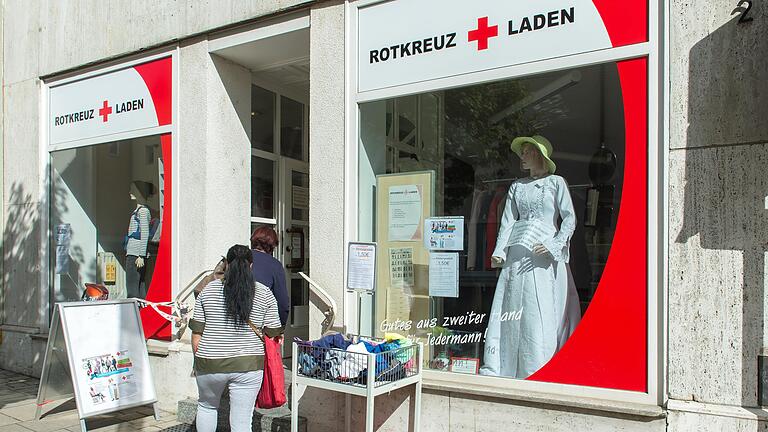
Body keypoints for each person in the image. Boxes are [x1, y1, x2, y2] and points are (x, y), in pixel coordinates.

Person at [480, 135, 581, 379]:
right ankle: (503, 364)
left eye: (526, 151)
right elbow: (508, 221)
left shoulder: (556, 183)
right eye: (522, 151)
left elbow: (569, 217)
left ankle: (538, 363)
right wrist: (499, 251)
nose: (522, 156)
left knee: (539, 306)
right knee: (513, 303)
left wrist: (555, 243)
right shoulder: (516, 186)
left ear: (538, 154)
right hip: (517, 253)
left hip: (543, 255)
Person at [190, 244, 284, 432]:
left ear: (227, 264)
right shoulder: (264, 293)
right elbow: (274, 334)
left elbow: (196, 335)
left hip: (210, 361)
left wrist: (202, 358)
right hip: (248, 365)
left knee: (207, 407)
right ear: (250, 266)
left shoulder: (207, 291)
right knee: (242, 421)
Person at [250, 227, 290, 326]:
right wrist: (279, 327)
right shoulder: (274, 265)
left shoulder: (237, 258)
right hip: (259, 323)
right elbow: (282, 303)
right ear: (272, 246)